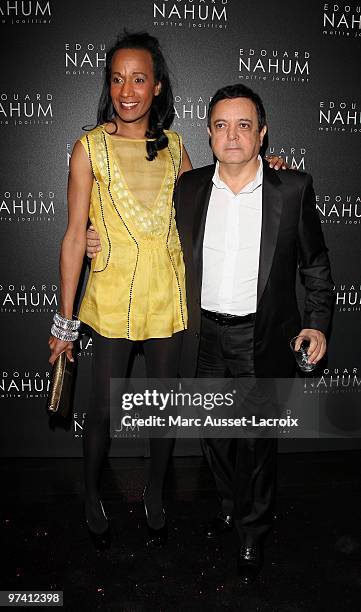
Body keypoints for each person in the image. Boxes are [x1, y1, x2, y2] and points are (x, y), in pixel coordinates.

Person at [173, 84, 334, 585]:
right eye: (221, 125)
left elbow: (316, 266)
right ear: (209, 133)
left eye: (244, 125)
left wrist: (316, 322)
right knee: (213, 435)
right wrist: (95, 238)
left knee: (257, 441)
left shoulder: (292, 188)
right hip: (205, 338)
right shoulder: (190, 188)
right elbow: (150, 239)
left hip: (262, 337)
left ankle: (251, 529)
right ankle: (230, 501)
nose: (232, 135)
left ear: (262, 133)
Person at [48, 31, 193, 550]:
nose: (127, 90)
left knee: (164, 406)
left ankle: (155, 493)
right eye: (117, 79)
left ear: (157, 87)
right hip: (110, 299)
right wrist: (64, 323)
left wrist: (267, 173)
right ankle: (91, 494)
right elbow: (72, 235)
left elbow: (202, 213)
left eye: (139, 79)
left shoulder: (176, 148)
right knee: (103, 411)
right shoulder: (89, 147)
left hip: (165, 298)